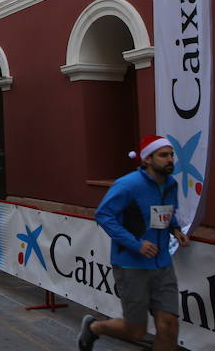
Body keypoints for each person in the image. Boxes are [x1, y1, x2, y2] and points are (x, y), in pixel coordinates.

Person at [77, 135, 190, 351]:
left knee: (169, 327)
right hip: (131, 265)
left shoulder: (171, 184)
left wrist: (175, 229)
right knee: (135, 331)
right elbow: (104, 215)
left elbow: (167, 212)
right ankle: (94, 328)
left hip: (163, 263)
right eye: (163, 155)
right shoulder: (128, 184)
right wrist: (136, 244)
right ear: (147, 159)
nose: (170, 159)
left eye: (171, 155)